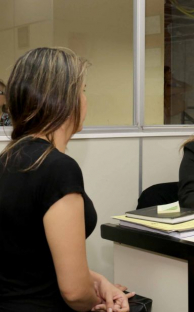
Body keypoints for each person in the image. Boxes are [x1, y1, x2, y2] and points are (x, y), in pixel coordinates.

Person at [0, 48, 132, 312]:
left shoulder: (8, 160)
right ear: (63, 101)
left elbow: (30, 260)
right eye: (83, 90)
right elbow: (73, 292)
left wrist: (97, 280)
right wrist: (102, 301)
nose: (85, 99)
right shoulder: (58, 169)